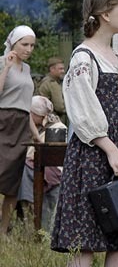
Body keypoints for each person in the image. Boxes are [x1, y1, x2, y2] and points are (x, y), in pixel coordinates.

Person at [50, 0, 118, 266]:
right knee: (86, 242)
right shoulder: (83, 58)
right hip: (91, 156)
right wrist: (110, 150)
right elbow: (83, 113)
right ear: (105, 13)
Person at [0, 24, 36, 235]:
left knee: (13, 181)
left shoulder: (28, 69)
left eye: (32, 45)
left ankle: (3, 231)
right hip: (3, 122)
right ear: (14, 43)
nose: (29, 49)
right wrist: (6, 66)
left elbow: (27, 104)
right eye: (25, 44)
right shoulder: (2, 61)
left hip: (21, 126)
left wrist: (36, 135)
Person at [17, 95, 65, 232]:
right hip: (34, 168)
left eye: (31, 114)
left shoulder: (57, 127)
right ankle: (26, 217)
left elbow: (54, 157)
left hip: (52, 171)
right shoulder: (33, 129)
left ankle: (29, 215)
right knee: (22, 169)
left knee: (25, 169)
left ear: (39, 115)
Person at [36, 56, 67, 124]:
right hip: (51, 120)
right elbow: (60, 107)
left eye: (63, 69)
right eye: (60, 69)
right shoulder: (52, 83)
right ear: (52, 69)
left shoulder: (44, 81)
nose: (63, 71)